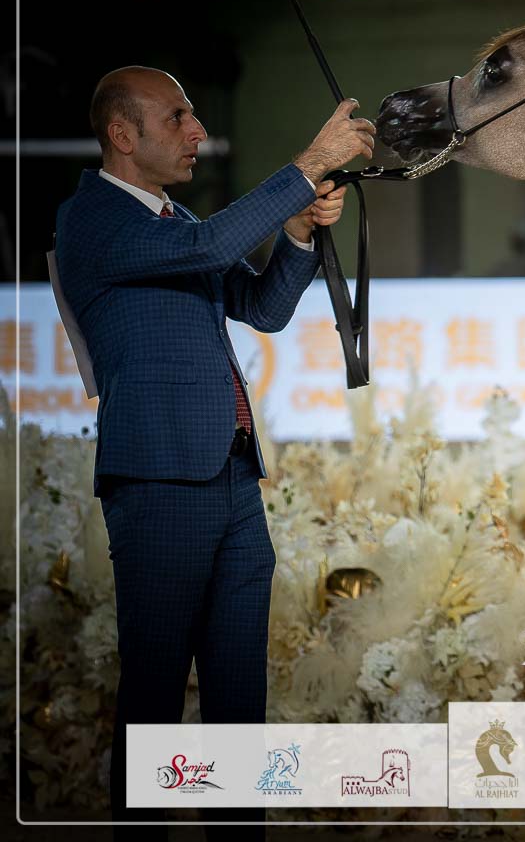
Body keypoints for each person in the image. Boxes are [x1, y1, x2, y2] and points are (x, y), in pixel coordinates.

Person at [51, 66, 374, 825]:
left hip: (230, 479)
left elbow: (261, 307)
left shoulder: (172, 221)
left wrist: (297, 234)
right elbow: (207, 247)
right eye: (178, 118)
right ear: (122, 134)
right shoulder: (93, 218)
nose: (197, 131)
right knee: (155, 703)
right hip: (160, 482)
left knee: (238, 707)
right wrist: (305, 170)